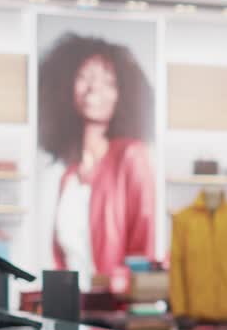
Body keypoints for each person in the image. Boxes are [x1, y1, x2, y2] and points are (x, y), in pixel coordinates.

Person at [38, 33, 155, 280]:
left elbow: (143, 247)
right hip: (70, 305)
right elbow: (60, 255)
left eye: (108, 81)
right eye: (84, 77)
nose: (93, 88)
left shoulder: (132, 157)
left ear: (122, 93)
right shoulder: (67, 176)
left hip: (112, 309)